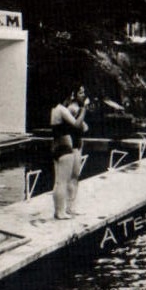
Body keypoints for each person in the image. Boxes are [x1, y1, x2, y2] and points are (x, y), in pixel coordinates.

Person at [49, 92, 86, 221]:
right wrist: (83, 111)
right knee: (62, 182)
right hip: (64, 146)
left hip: (56, 144)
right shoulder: (62, 109)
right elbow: (77, 125)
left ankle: (59, 211)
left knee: (59, 182)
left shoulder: (54, 110)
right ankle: (60, 212)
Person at [66, 87, 91, 217]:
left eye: (83, 92)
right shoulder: (73, 108)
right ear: (74, 94)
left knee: (74, 177)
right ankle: (70, 207)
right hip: (72, 145)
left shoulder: (77, 108)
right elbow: (80, 126)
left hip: (76, 143)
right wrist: (84, 110)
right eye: (80, 92)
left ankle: (71, 206)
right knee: (73, 177)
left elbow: (84, 127)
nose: (83, 94)